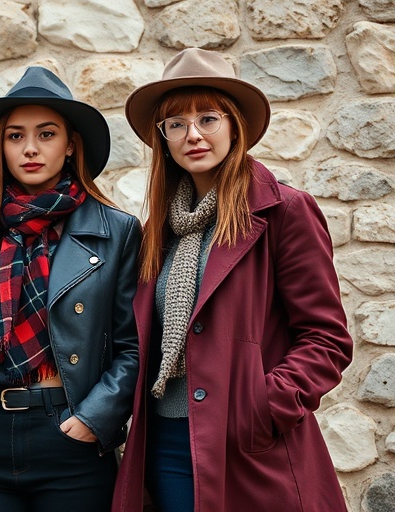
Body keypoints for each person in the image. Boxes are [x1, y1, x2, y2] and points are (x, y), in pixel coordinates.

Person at [112, 48, 353, 512]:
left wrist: (260, 408)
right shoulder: (155, 233)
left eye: (208, 117)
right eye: (176, 124)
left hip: (248, 447)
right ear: (162, 138)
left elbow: (326, 339)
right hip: (164, 444)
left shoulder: (283, 211)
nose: (193, 134)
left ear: (234, 124)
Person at [0, 66, 141, 511]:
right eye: (15, 136)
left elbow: (131, 347)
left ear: (70, 146)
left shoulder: (117, 230)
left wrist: (91, 419)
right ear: (0, 148)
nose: (30, 148)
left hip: (70, 437)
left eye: (46, 134)